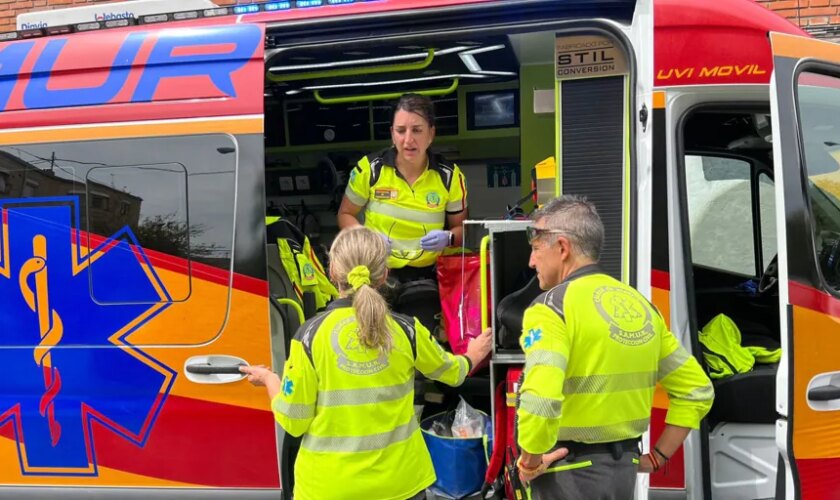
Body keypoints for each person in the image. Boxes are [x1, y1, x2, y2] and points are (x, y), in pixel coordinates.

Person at [241, 226, 492, 500]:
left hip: (329, 488)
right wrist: (473, 353)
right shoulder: (408, 330)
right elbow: (453, 374)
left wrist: (270, 380)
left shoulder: (310, 337)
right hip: (402, 484)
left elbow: (294, 420)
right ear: (385, 274)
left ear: (333, 271)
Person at [514, 195, 714, 500]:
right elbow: (697, 390)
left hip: (566, 476)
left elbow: (541, 401)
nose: (531, 261)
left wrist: (529, 462)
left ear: (563, 248)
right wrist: (658, 457)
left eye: (536, 247)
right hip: (623, 473)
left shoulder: (551, 309)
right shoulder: (641, 307)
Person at [337, 93, 468, 283]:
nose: (408, 140)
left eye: (416, 130)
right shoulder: (370, 169)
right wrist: (368, 237)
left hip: (429, 277)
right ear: (392, 134)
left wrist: (448, 238)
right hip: (376, 272)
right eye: (400, 130)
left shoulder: (450, 177)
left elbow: (461, 230)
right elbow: (344, 215)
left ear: (431, 134)